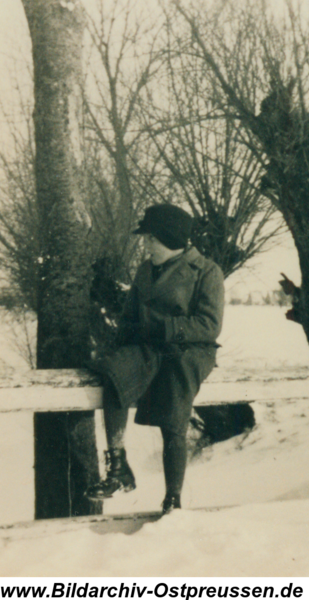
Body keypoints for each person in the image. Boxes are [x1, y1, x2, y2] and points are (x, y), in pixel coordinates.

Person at [86, 204, 224, 514]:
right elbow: (129, 316)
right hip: (149, 346)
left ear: (171, 239)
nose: (146, 246)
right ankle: (118, 468)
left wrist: (166, 328)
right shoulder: (145, 270)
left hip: (188, 350)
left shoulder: (207, 271)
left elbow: (209, 326)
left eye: (151, 239)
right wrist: (117, 346)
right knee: (115, 373)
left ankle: (172, 498)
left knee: (175, 408)